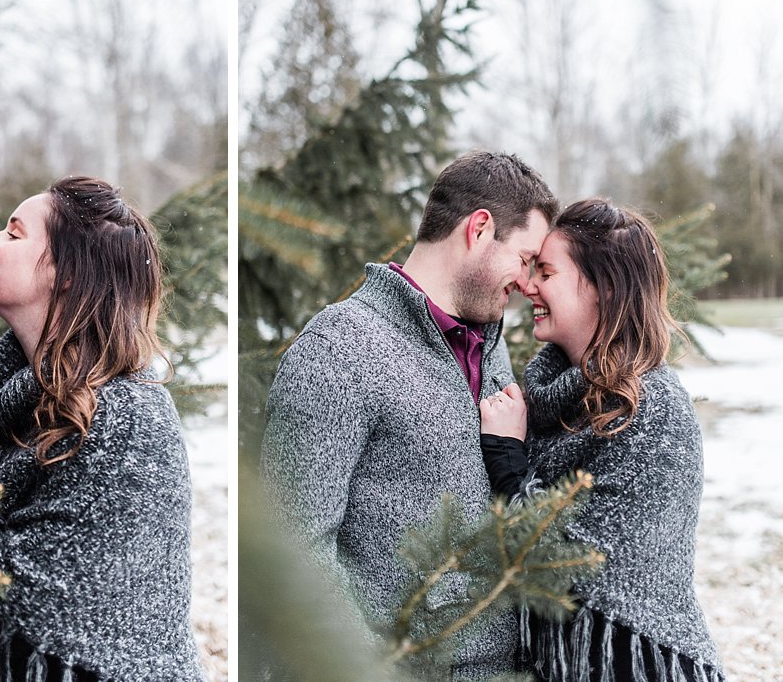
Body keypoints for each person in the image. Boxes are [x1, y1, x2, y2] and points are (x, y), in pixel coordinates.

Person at [259, 150, 558, 679]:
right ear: (480, 229)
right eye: (526, 258)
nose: (529, 282)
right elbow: (295, 556)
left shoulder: (489, 347)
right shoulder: (339, 348)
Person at [0, 176, 206, 682]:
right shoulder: (15, 401)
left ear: (67, 274)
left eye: (14, 234)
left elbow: (11, 589)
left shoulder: (129, 417)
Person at [479, 198, 724, 682]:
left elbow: (570, 560)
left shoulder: (649, 406)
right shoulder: (559, 398)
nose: (527, 286)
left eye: (546, 273)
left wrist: (507, 455)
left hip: (634, 664)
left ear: (603, 289)